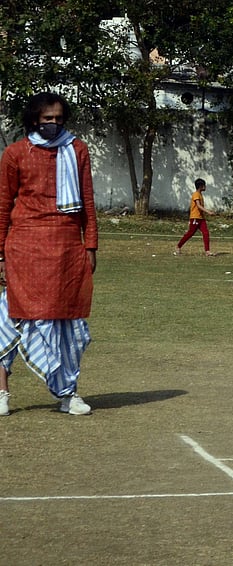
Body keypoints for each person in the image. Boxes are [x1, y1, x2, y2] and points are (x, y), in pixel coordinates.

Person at [0, 92, 98, 416]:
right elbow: (3, 207)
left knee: (68, 326)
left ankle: (68, 394)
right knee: (9, 320)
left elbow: (87, 201)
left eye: (58, 118)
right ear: (34, 120)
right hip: (23, 249)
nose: (54, 124)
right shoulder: (15, 153)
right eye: (47, 119)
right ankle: (1, 392)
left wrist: (91, 246)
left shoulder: (77, 150)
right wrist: (0, 255)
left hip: (67, 251)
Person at [174, 178, 215, 256]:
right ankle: (178, 246)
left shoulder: (200, 195)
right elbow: (198, 206)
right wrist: (208, 212)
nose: (205, 187)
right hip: (195, 218)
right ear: (200, 186)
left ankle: (207, 251)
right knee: (190, 233)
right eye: (204, 185)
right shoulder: (196, 194)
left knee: (206, 233)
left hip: (201, 218)